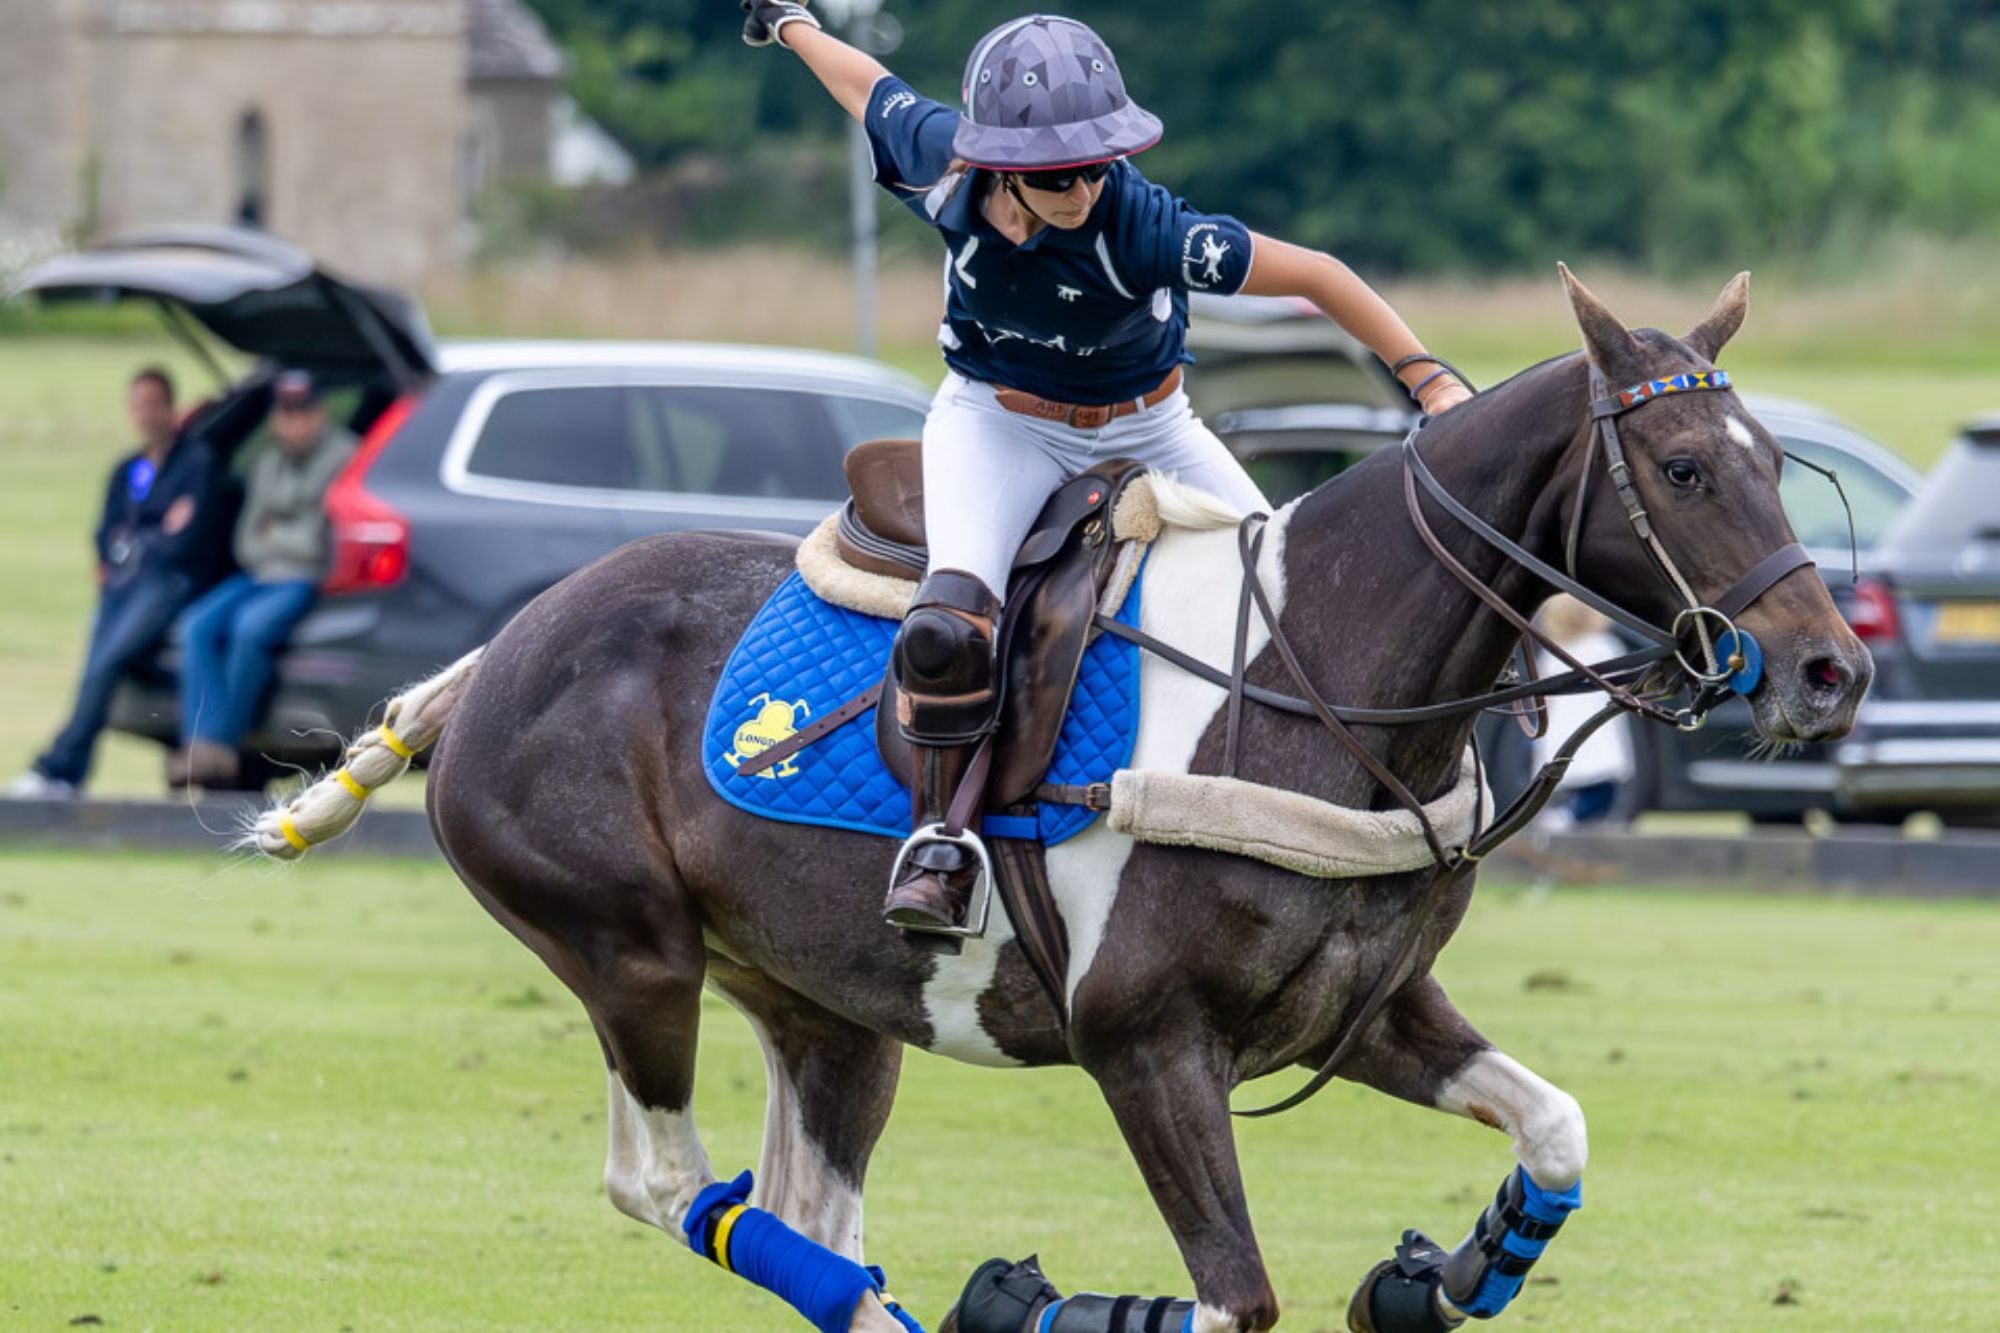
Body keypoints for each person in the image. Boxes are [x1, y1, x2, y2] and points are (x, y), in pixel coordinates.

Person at [744, 4, 1472, 936]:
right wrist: (791, 21)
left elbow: (1319, 275)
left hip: (1152, 428)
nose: (1085, 184)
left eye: (1098, 158)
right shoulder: (940, 163)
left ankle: (1334, 831)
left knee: (1293, 613)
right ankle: (941, 841)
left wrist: (1428, 377)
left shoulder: (1145, 226)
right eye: (1057, 171)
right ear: (998, 161)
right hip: (997, 423)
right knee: (946, 626)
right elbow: (863, 86)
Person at [8, 367, 214, 800]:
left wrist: (142, 541)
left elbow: (184, 538)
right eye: (137, 404)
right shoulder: (130, 469)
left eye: (152, 403)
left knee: (107, 663)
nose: (144, 413)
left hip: (167, 583)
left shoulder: (194, 462)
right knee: (95, 664)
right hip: (126, 584)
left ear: (170, 408)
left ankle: (61, 767)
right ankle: (66, 766)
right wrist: (143, 539)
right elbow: (108, 533)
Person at [167, 370, 356, 790]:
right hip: (259, 574)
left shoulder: (345, 457)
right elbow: (247, 537)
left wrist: (277, 535)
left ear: (319, 414)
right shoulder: (267, 461)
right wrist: (281, 538)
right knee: (197, 625)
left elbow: (316, 543)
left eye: (303, 413)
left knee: (250, 630)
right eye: (287, 414)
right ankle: (198, 743)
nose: (295, 423)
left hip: (303, 577)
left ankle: (222, 745)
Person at [1531, 596, 1637, 828]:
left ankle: (1563, 819)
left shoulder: (1553, 654)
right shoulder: (1603, 645)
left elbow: (1544, 700)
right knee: (1603, 792)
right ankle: (1563, 821)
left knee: (1575, 788)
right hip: (1597, 733)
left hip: (1561, 734)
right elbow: (1622, 687)